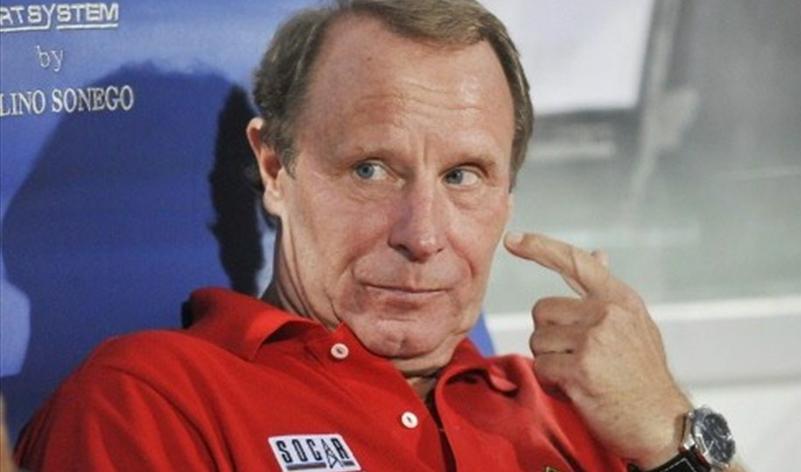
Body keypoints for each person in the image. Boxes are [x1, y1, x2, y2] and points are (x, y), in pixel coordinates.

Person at [14, 1, 740, 471]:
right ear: (275, 167)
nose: (423, 236)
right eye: (372, 168)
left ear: (507, 196)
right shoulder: (154, 400)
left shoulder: (585, 414)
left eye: (464, 176)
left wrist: (669, 428)